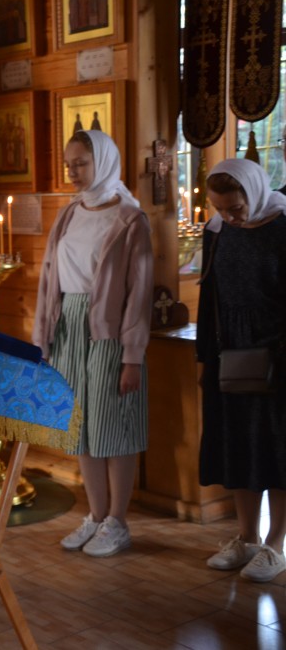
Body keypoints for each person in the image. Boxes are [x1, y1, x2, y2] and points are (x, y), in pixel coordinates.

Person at [32, 129, 153, 558]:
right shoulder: (69, 213)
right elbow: (50, 278)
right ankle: (96, 514)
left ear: (102, 161)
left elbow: (139, 293)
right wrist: (43, 339)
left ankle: (117, 521)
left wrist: (132, 357)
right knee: (80, 425)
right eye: (69, 164)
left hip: (109, 333)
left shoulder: (130, 218)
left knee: (112, 426)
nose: (73, 171)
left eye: (81, 163)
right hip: (68, 325)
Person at [196, 158, 286, 582]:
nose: (229, 217)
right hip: (230, 353)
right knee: (238, 447)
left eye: (235, 207)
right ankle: (246, 538)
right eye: (220, 208)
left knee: (278, 452)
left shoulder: (282, 226)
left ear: (255, 192)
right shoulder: (217, 232)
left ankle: (275, 545)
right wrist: (204, 357)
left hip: (278, 354)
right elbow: (208, 298)